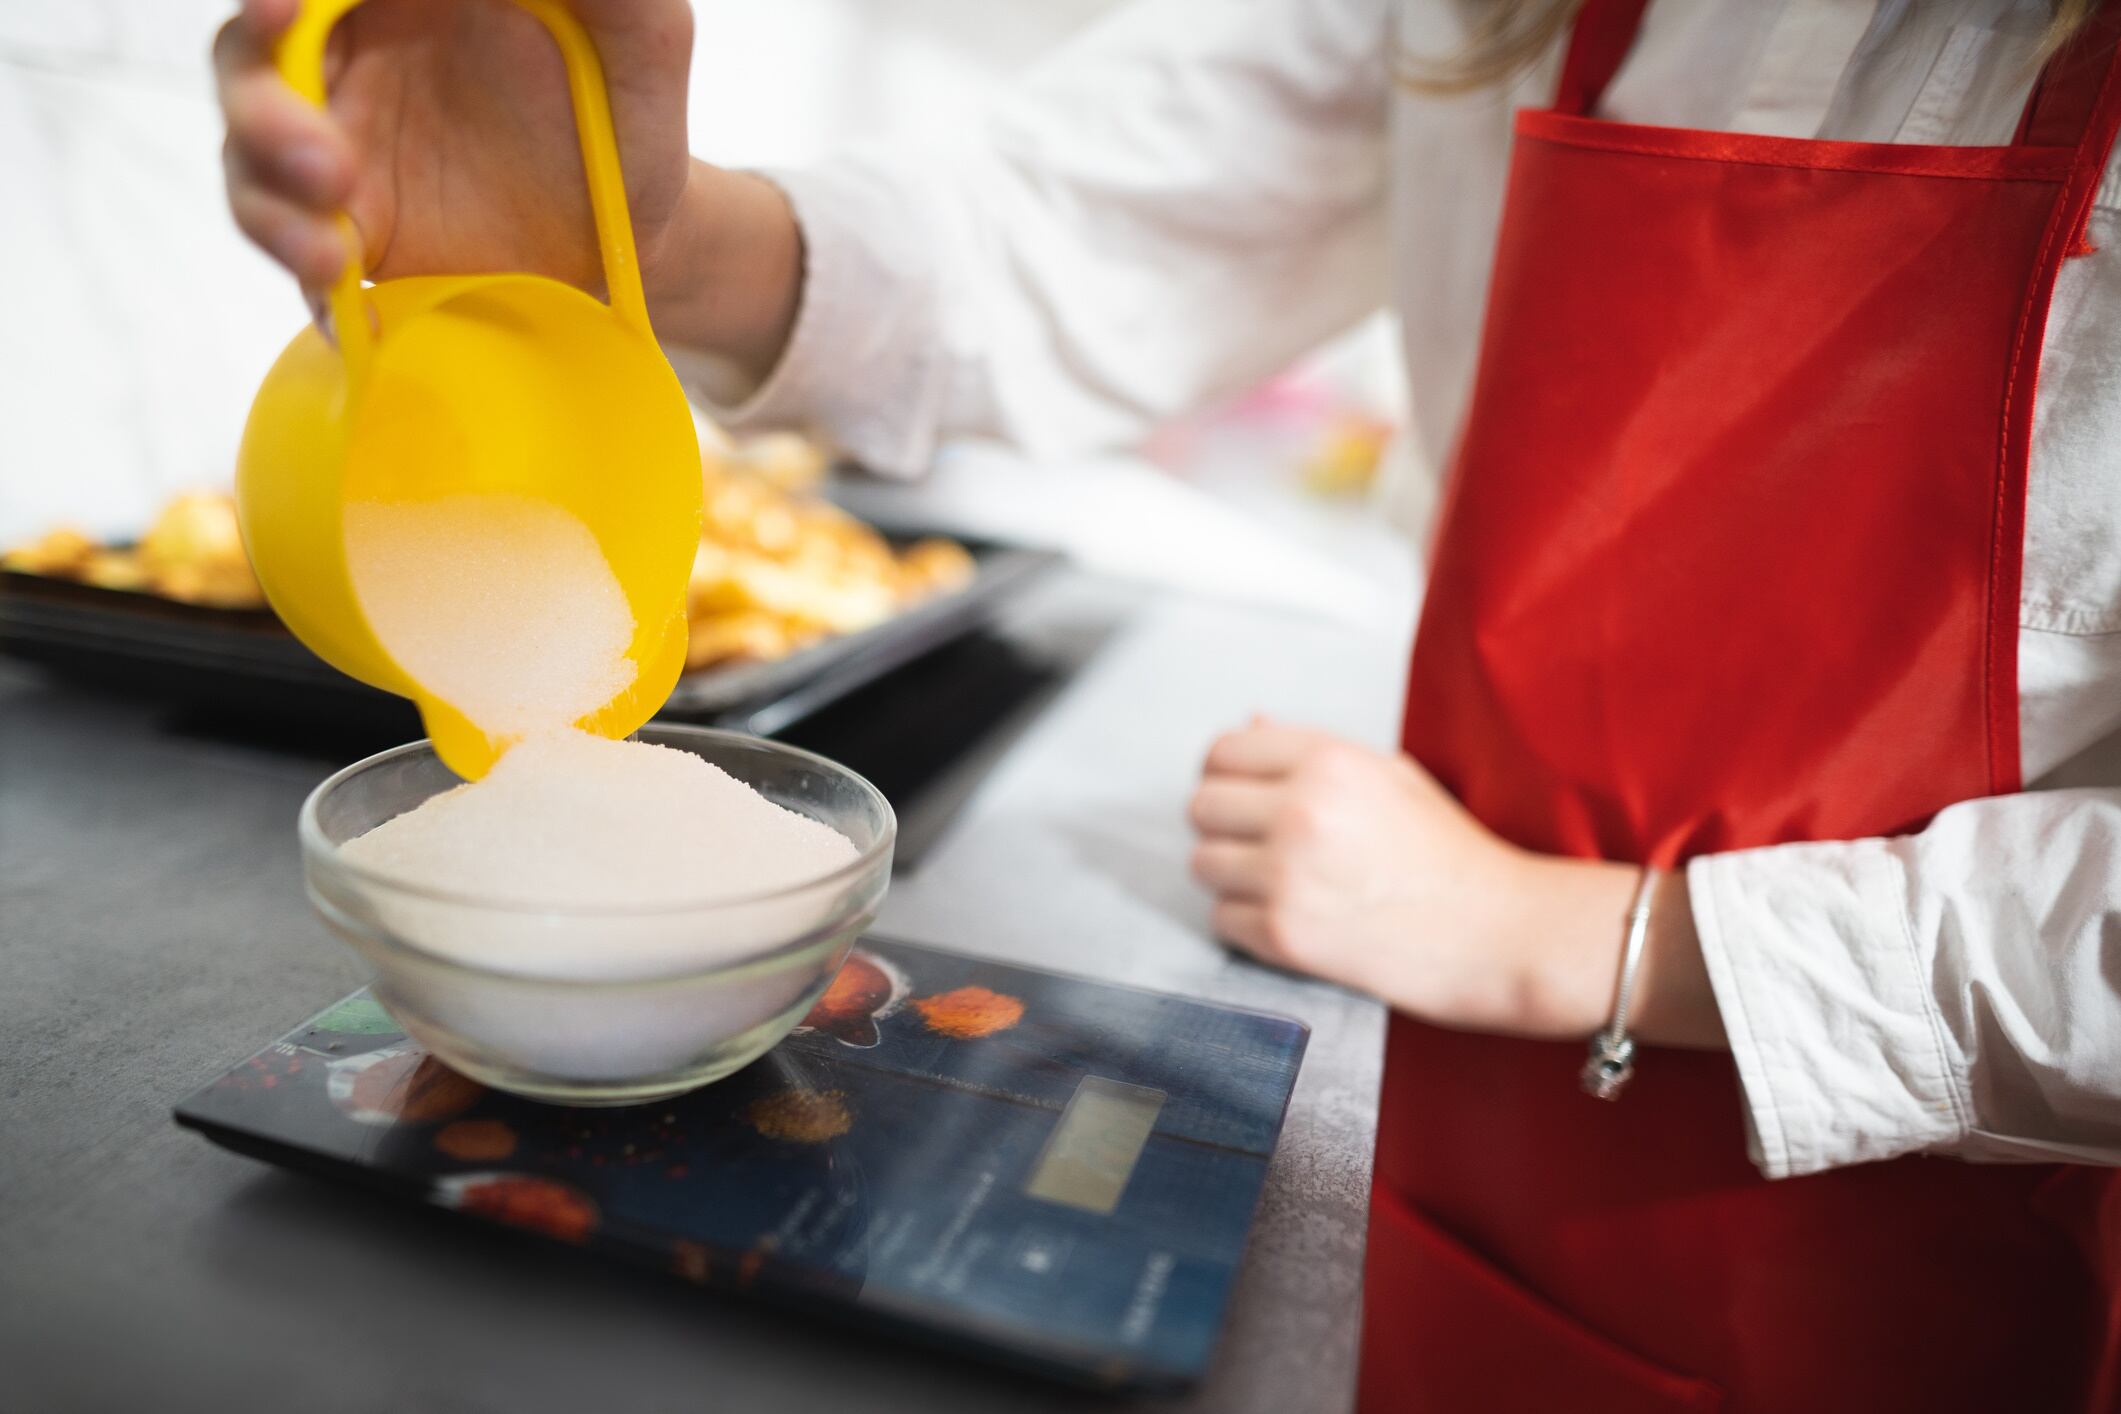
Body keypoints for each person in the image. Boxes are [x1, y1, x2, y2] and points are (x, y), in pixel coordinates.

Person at [216, 0, 2121, 1407]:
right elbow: (1076, 227)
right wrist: (649, 228)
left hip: (1963, 1237)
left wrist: (1582, 935)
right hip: (1473, 1096)